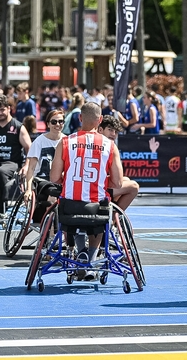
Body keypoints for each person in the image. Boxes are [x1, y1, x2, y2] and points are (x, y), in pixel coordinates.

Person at [50, 102, 123, 270]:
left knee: (69, 206)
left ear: (80, 118)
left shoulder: (65, 142)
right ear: (100, 120)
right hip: (96, 207)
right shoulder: (110, 145)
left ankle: (81, 251)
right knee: (99, 212)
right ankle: (91, 257)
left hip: (69, 206)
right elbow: (118, 182)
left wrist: (71, 180)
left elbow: (54, 177)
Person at [24, 108, 65, 223]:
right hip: (42, 179)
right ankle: (51, 227)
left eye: (60, 121)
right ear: (48, 124)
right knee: (52, 193)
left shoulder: (67, 140)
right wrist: (28, 189)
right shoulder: (39, 141)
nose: (57, 124)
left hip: (61, 180)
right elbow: (31, 168)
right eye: (54, 122)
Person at [98, 115, 139, 211]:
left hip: (92, 184)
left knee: (126, 179)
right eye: (110, 130)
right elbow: (117, 182)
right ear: (100, 130)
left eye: (115, 132)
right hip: (96, 189)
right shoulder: (108, 147)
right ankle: (114, 216)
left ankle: (112, 210)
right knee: (134, 186)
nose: (113, 134)